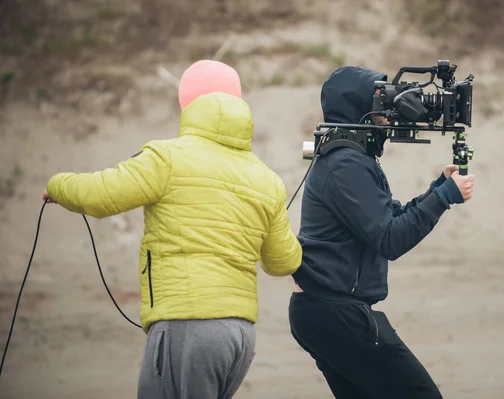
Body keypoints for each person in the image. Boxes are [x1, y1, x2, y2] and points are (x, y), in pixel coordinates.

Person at [42, 59, 302, 399]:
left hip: (187, 325)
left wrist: (57, 185)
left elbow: (100, 195)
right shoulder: (267, 178)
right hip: (239, 335)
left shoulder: (166, 158)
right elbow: (283, 262)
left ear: (187, 106)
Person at [288, 66, 475, 399]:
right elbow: (390, 238)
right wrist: (444, 197)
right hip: (335, 313)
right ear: (359, 108)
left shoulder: (351, 157)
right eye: (381, 101)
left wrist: (437, 189)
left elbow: (385, 219)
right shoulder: (346, 162)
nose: (388, 112)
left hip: (329, 311)